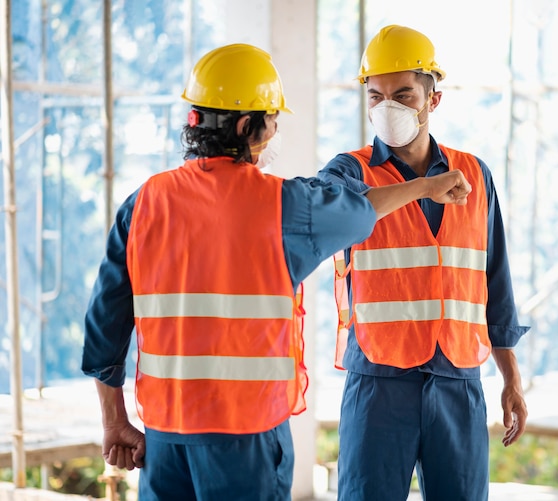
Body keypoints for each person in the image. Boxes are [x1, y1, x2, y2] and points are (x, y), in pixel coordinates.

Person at [81, 42, 472, 501]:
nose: (275, 132)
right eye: (272, 121)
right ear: (248, 126)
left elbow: (104, 327)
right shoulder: (285, 206)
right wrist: (426, 186)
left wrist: (114, 420)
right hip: (246, 436)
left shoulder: (142, 204)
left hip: (165, 437)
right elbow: (362, 209)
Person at [317, 25, 530, 501]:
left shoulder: (474, 174)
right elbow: (326, 209)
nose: (387, 107)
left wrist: (512, 379)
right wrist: (424, 188)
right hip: (379, 381)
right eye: (375, 95)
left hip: (457, 377)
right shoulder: (349, 170)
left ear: (433, 100)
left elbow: (495, 284)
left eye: (403, 94)